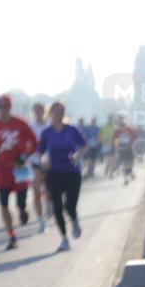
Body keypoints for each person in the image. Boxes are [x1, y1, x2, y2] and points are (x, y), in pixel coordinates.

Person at [0, 95, 38, 250]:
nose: (3, 110)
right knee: (3, 203)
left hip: (20, 167)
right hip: (2, 168)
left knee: (20, 203)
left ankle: (23, 210)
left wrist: (25, 155)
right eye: (0, 107)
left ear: (10, 107)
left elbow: (34, 142)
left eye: (5, 107)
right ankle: (11, 235)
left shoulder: (21, 123)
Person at [38, 102, 87, 252]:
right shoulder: (46, 132)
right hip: (54, 173)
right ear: (50, 113)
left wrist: (77, 155)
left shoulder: (71, 129)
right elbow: (40, 152)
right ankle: (64, 239)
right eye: (56, 111)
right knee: (57, 207)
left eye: (62, 111)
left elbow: (84, 146)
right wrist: (43, 161)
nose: (59, 114)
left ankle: (74, 219)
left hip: (72, 172)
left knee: (70, 206)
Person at [29, 103, 52, 233]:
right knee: (36, 192)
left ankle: (49, 204)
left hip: (49, 162)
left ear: (45, 111)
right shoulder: (30, 126)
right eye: (36, 109)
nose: (38, 111)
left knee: (48, 191)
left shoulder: (50, 125)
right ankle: (41, 220)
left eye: (40, 109)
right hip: (34, 162)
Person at [113, 115, 138, 185]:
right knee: (124, 164)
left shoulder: (130, 128)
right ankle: (126, 179)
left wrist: (133, 144)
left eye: (122, 120)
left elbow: (135, 137)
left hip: (129, 148)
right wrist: (117, 148)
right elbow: (116, 140)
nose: (121, 121)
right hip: (122, 149)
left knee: (130, 162)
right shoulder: (117, 130)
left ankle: (130, 172)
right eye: (119, 120)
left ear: (125, 120)